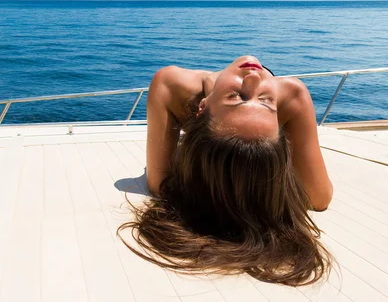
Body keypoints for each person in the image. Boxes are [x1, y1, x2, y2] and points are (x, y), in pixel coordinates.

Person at [119, 55, 334, 286]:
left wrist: (213, 84)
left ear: (201, 107)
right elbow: (319, 198)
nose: (253, 77)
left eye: (236, 97)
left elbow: (158, 182)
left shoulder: (172, 85)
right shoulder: (291, 94)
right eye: (266, 100)